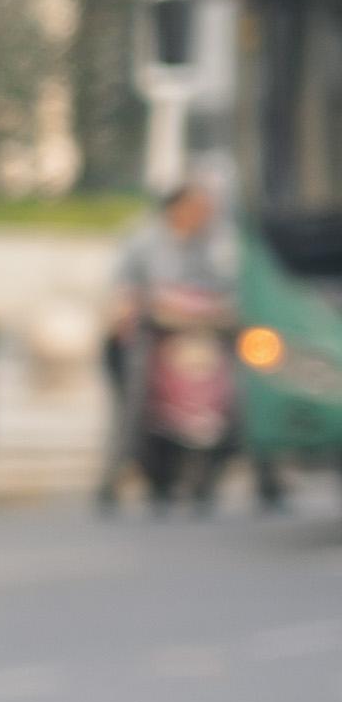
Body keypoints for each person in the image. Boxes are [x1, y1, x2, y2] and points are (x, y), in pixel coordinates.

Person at [99, 164, 228, 504]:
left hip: (190, 343)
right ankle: (112, 479)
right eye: (197, 208)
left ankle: (200, 475)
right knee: (133, 408)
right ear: (178, 208)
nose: (203, 216)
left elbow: (217, 289)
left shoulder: (203, 247)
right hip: (144, 339)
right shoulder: (143, 242)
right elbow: (124, 291)